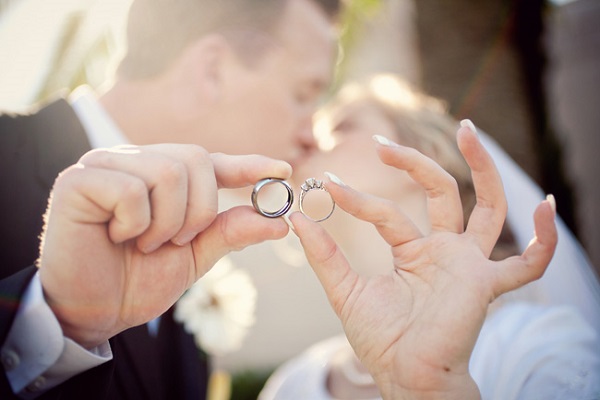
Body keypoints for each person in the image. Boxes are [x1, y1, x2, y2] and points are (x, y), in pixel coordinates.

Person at [0, 0, 341, 398]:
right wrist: (58, 328)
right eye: (304, 94)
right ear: (211, 70)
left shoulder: (192, 250)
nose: (312, 136)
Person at [259, 74, 600, 399]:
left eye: (341, 126)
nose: (306, 140)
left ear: (425, 155)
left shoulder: (536, 351)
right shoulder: (292, 385)